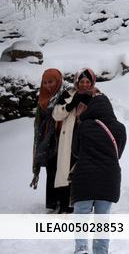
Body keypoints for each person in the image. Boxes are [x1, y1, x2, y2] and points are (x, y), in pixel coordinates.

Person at [71, 93, 127, 254]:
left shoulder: (84, 125)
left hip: (85, 176)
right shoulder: (120, 128)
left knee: (81, 214)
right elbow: (118, 153)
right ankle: (101, 251)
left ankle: (81, 249)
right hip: (109, 177)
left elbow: (76, 151)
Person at [52, 69, 99, 212]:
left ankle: (83, 205)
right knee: (66, 171)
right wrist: (71, 104)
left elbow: (104, 115)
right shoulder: (68, 94)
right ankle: (65, 205)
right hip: (69, 139)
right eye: (82, 81)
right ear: (77, 82)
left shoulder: (97, 96)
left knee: (83, 172)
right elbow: (56, 115)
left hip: (88, 139)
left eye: (87, 82)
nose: (84, 85)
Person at [31, 68, 68, 213]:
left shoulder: (66, 94)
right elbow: (39, 120)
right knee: (51, 170)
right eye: (45, 82)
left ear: (58, 81)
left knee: (62, 170)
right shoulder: (43, 96)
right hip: (48, 140)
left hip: (63, 138)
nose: (48, 85)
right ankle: (53, 203)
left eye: (51, 81)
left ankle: (64, 201)